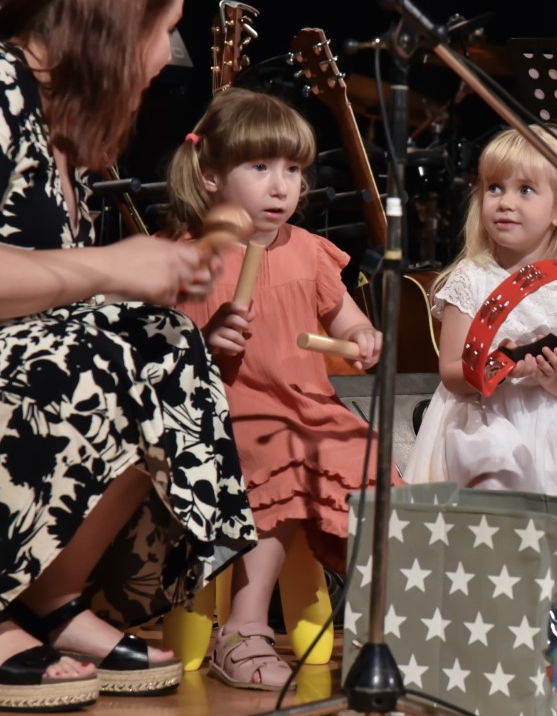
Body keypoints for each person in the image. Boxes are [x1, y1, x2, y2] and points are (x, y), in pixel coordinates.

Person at [0, 0, 259, 710]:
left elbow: (46, 285)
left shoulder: (55, 121)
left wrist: (147, 277)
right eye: (160, 31)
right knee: (98, 350)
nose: (163, 57)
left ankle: (43, 600)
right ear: (111, 24)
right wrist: (109, 268)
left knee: (162, 345)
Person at [163, 87, 384, 690]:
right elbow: (153, 357)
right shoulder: (186, 258)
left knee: (372, 461)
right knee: (282, 453)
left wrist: (363, 338)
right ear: (210, 175)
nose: (282, 186)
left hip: (307, 408)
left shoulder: (309, 252)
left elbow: (347, 322)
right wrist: (205, 341)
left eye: (293, 170)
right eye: (260, 167)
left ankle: (388, 622)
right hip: (223, 415)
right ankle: (244, 626)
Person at [402, 124, 557, 502]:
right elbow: (451, 373)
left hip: (555, 425)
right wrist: (498, 366)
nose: (505, 202)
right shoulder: (472, 277)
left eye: (525, 190)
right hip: (481, 422)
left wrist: (552, 378)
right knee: (498, 477)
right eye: (494, 188)